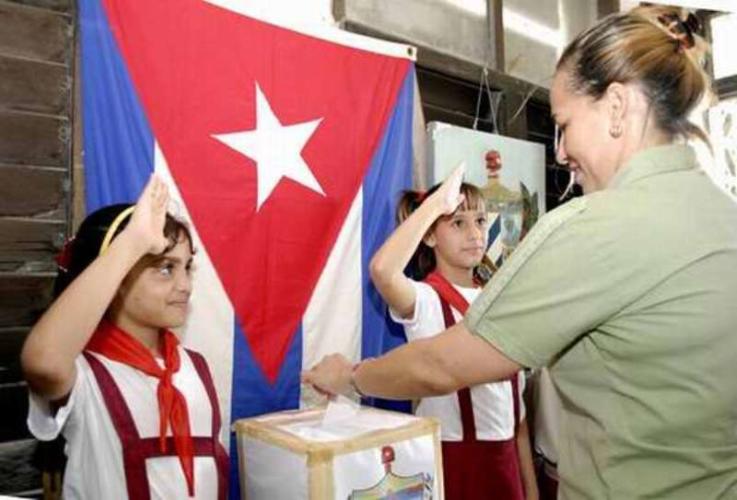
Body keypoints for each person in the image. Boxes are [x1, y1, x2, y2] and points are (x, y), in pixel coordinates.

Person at [303, 6, 737, 499]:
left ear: (617, 107)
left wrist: (353, 375)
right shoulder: (724, 216)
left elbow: (442, 366)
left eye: (564, 124)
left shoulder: (593, 228)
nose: (560, 151)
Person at [21, 176, 229, 499]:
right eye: (165, 268)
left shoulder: (195, 368)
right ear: (116, 278)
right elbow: (43, 361)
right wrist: (132, 243)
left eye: (187, 267)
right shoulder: (85, 374)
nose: (185, 285)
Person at [368, 169, 538, 500]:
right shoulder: (425, 299)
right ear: (430, 237)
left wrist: (530, 490)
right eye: (458, 223)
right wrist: (433, 207)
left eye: (480, 221)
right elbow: (382, 271)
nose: (474, 234)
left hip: (507, 470)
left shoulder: (499, 301)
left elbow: (518, 421)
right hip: (452, 467)